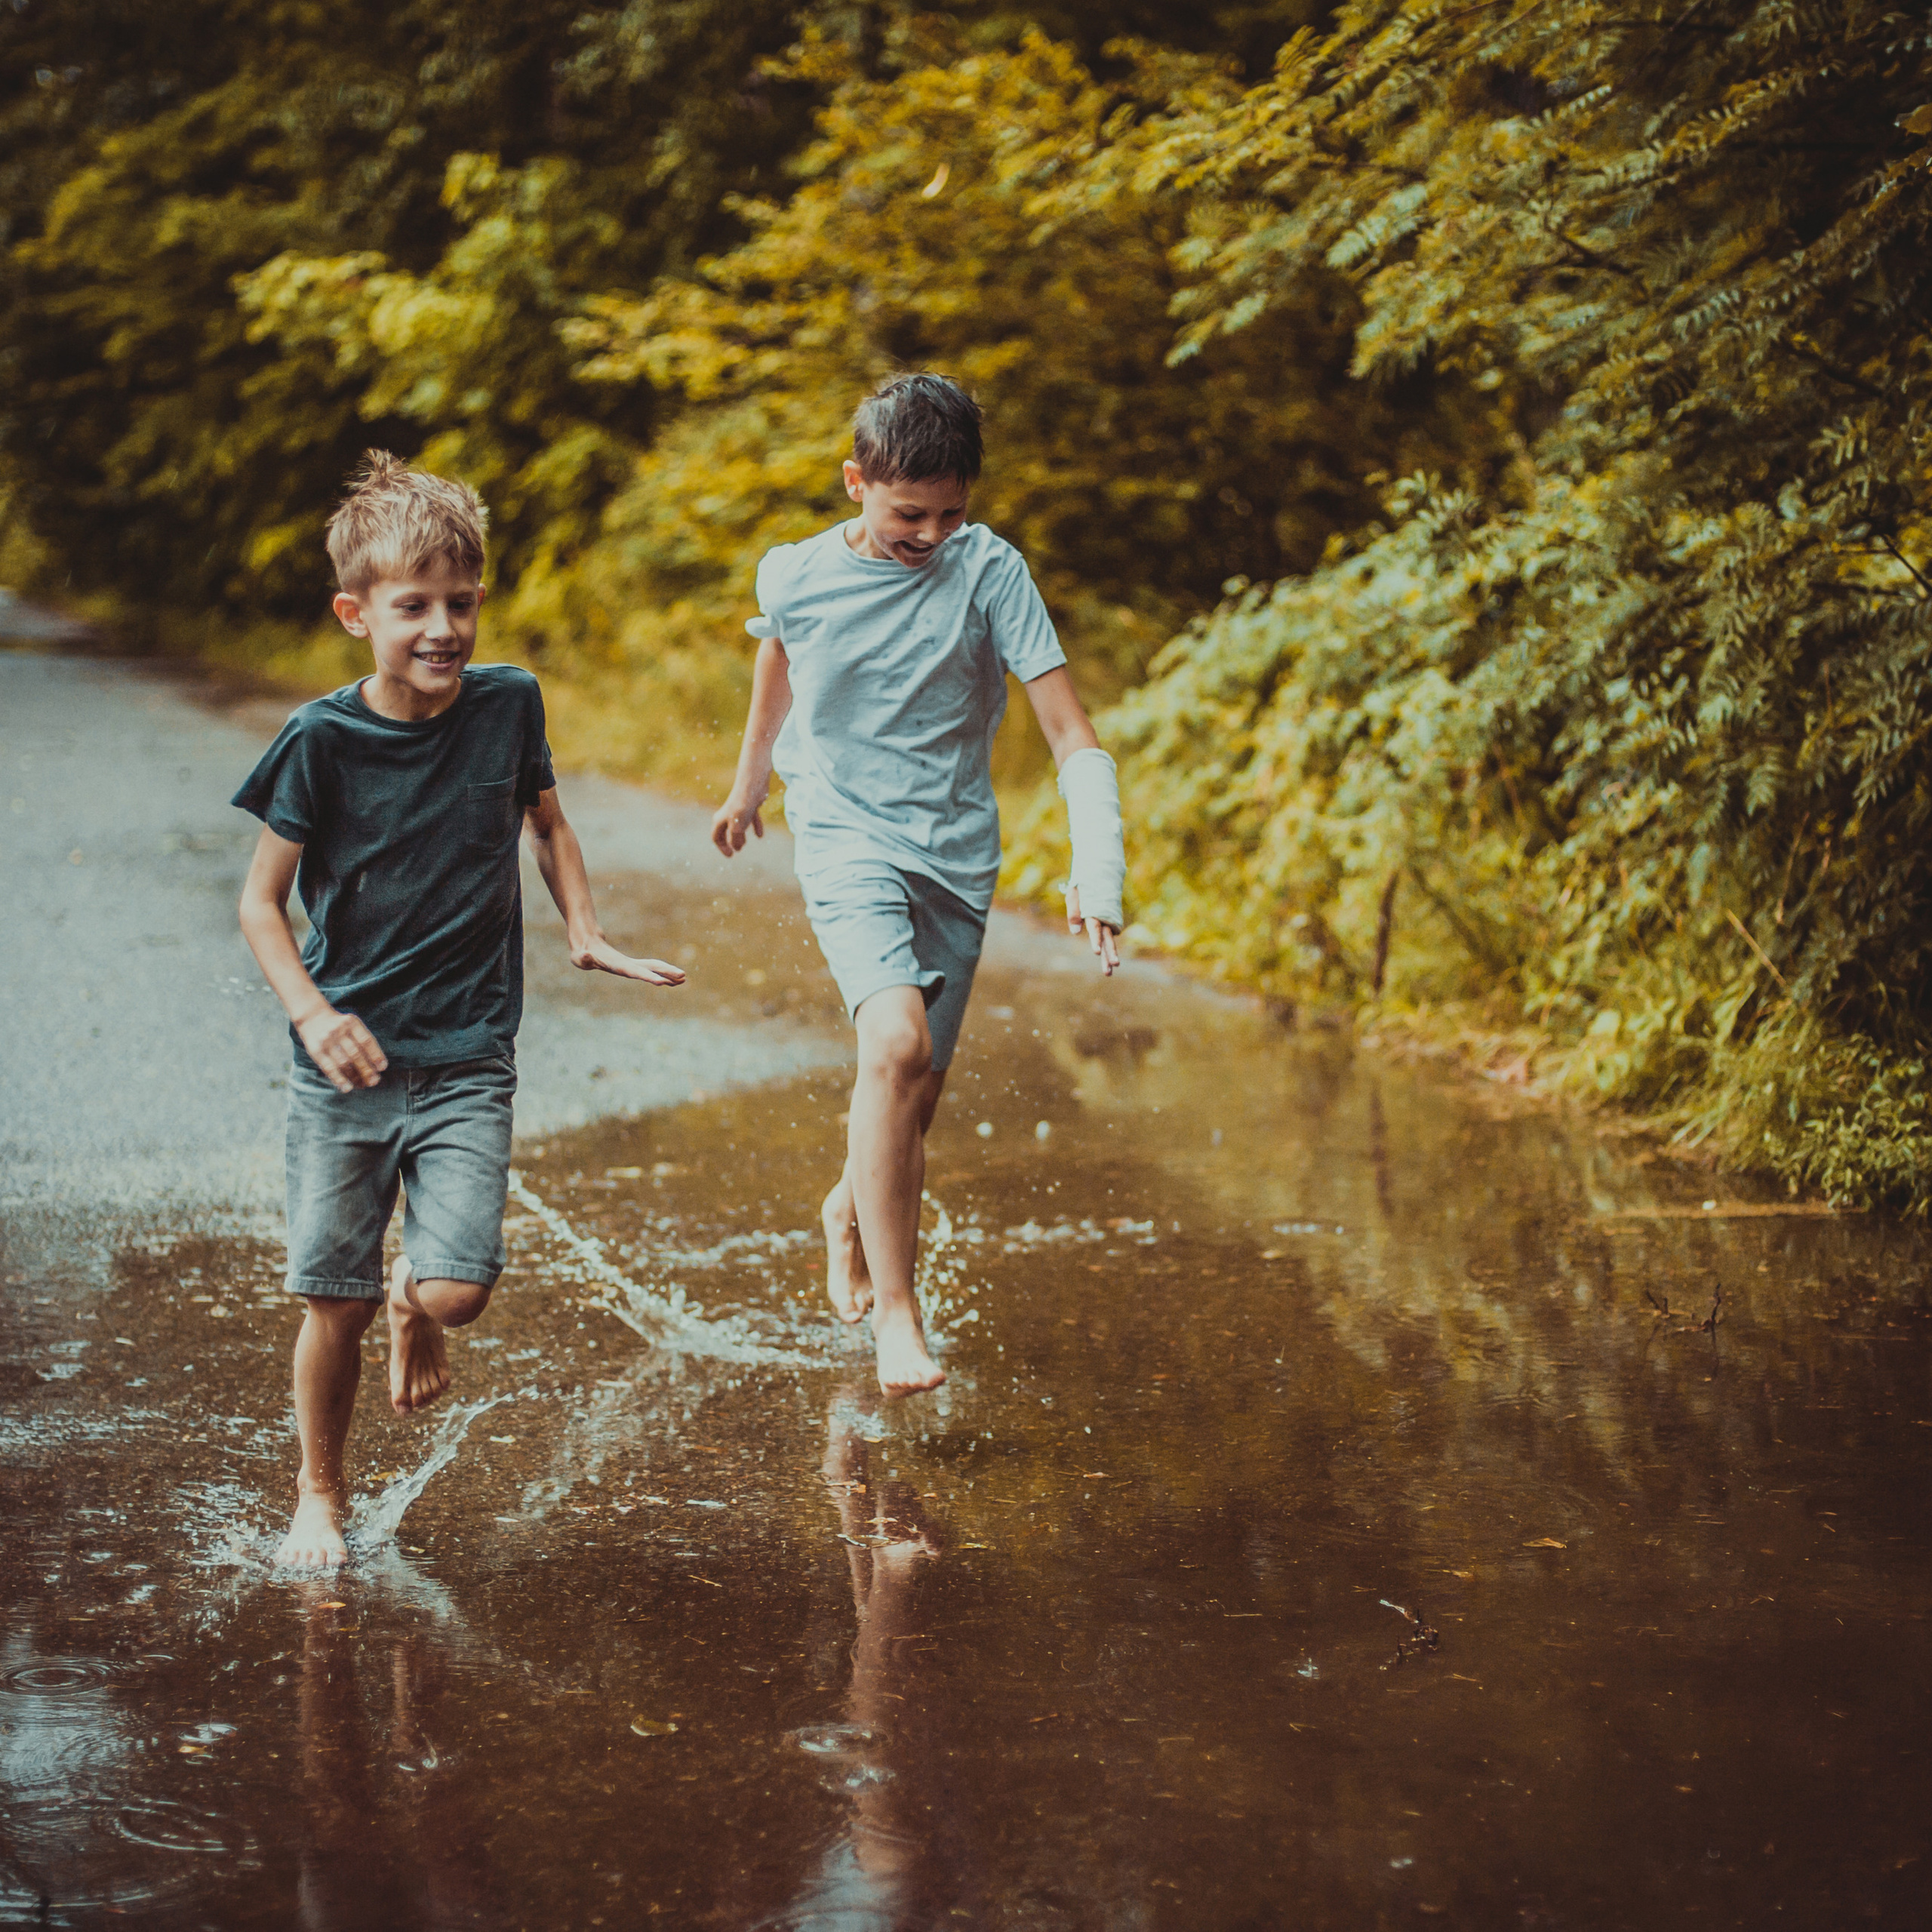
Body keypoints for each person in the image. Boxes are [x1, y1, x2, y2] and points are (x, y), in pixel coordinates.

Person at [235, 452, 685, 1569]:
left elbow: (549, 822)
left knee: (457, 1292)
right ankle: (319, 1496)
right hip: (347, 1064)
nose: (442, 629)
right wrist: (312, 1016)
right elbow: (259, 903)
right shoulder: (319, 740)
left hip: (469, 1053)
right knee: (330, 1302)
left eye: (461, 603)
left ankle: (416, 1299)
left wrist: (583, 928)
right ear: (356, 614)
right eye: (413, 608)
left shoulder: (508, 703)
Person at [711, 373, 1125, 1396]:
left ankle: (849, 1205)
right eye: (908, 514)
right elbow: (780, 658)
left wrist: (1097, 861)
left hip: (956, 852)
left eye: (951, 513)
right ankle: (900, 1315)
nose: (931, 535)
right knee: (894, 1047)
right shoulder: (796, 573)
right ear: (856, 483)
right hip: (844, 830)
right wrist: (751, 781)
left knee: (915, 1093)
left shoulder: (991, 572)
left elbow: (1070, 729)